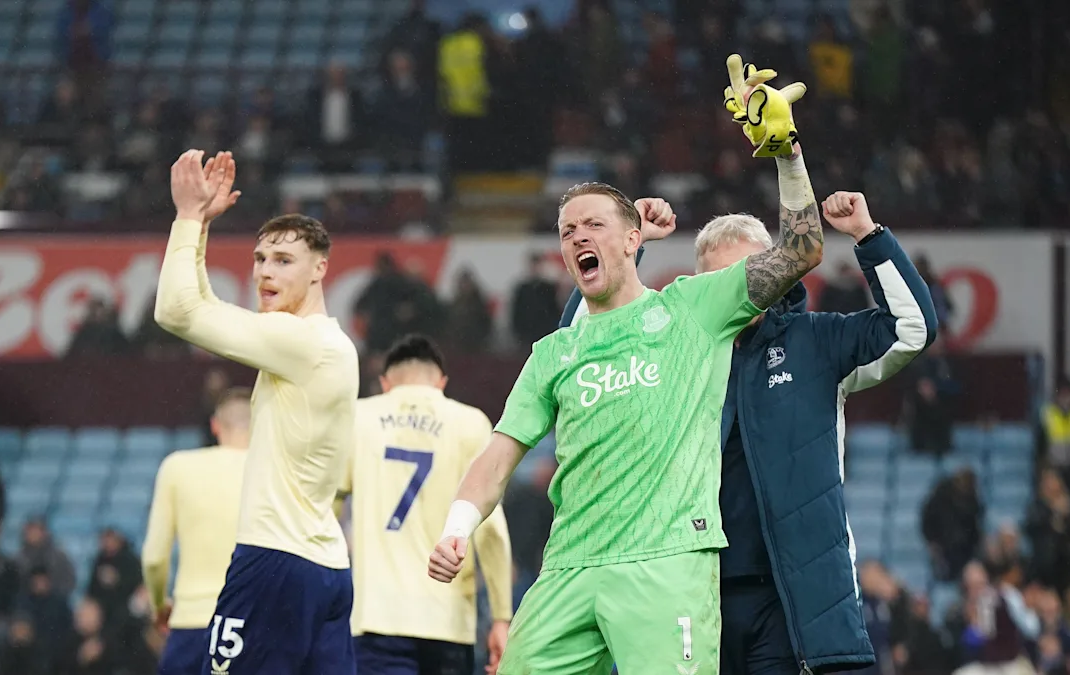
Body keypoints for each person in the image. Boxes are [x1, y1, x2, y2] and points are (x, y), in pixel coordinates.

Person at [428, 57, 821, 674]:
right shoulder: (555, 352)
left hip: (665, 561)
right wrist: (458, 526)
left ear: (634, 238)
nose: (578, 236)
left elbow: (802, 250)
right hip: (567, 568)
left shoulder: (694, 306)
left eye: (594, 224)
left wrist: (786, 153)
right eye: (566, 230)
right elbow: (498, 456)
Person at [557, 189, 936, 674]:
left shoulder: (816, 342)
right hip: (688, 593)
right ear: (700, 285)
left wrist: (868, 235)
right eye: (723, 277)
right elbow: (576, 353)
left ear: (776, 272)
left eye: (752, 272)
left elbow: (913, 328)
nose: (743, 286)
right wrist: (633, 245)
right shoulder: (667, 353)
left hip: (792, 602)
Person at [154, 150, 359, 674]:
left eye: (283, 261)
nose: (265, 272)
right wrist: (202, 230)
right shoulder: (326, 344)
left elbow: (176, 311)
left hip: (273, 565)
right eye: (260, 258)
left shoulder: (297, 340)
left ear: (321, 270)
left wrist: (186, 217)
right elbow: (206, 308)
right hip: (327, 569)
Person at [342, 334, 513, 675]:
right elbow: (490, 528)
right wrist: (501, 617)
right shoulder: (469, 422)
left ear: (385, 382)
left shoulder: (358, 418)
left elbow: (327, 511)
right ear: (441, 382)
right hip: (447, 622)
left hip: (377, 618)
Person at [142, 387, 252, 675]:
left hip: (191, 622)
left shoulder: (177, 467)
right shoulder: (275, 471)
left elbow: (154, 557)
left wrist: (158, 604)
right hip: (253, 624)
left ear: (215, 425)